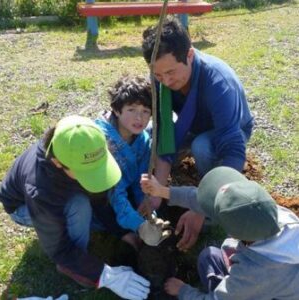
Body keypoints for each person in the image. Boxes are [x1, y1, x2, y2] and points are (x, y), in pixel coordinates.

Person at [0, 115, 150, 300]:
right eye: (86, 173)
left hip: (60, 192)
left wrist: (122, 232)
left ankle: (80, 256)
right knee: (79, 205)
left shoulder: (84, 142)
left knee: (89, 207)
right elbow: (58, 248)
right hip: (22, 208)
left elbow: (98, 193)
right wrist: (104, 274)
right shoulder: (40, 190)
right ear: (57, 163)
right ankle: (72, 267)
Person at [141, 17, 254, 250]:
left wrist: (200, 207)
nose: (166, 81)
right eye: (159, 76)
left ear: (190, 55)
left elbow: (233, 148)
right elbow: (164, 130)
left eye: (171, 73)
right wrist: (158, 189)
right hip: (194, 124)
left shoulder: (218, 83)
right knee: (149, 135)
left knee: (202, 146)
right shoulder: (162, 77)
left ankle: (213, 207)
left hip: (231, 130)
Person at [141, 166, 299, 299]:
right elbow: (203, 200)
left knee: (208, 260)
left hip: (262, 288)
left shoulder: (254, 274)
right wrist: (162, 191)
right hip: (268, 282)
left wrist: (183, 291)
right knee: (209, 256)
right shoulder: (268, 212)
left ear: (238, 235)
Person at [95, 75, 171, 248]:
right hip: (104, 194)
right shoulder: (102, 142)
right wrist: (140, 226)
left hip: (124, 188)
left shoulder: (143, 139)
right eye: (131, 110)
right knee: (100, 216)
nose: (139, 118)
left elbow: (141, 179)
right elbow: (116, 194)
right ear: (116, 109)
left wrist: (147, 204)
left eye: (145, 111)